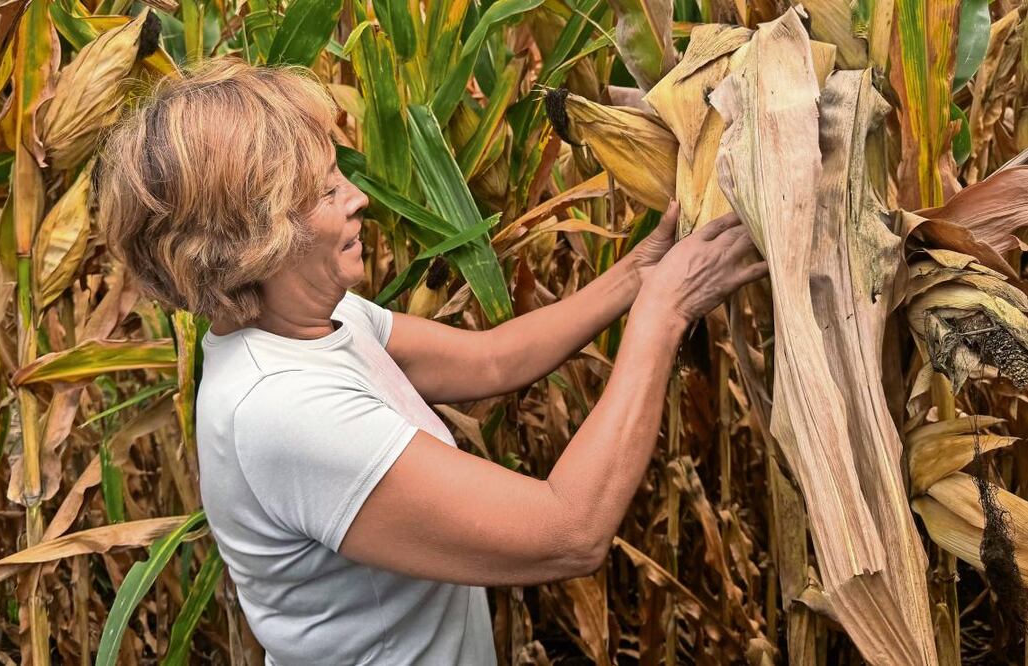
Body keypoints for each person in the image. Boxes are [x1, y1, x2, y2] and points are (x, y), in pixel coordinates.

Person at [94, 56, 766, 666]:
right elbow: (568, 532)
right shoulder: (283, 409)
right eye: (327, 193)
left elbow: (490, 361)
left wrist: (637, 274)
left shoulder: (315, 321)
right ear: (254, 240)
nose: (356, 198)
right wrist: (664, 316)